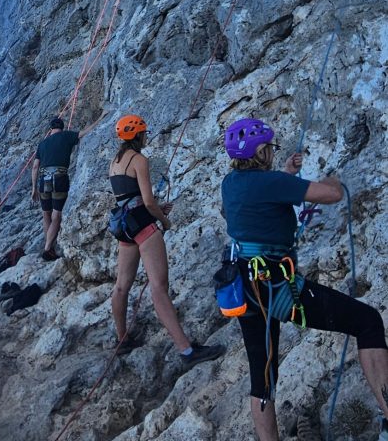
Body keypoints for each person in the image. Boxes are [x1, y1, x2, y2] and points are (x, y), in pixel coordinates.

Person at [220, 118, 388, 441]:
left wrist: (286, 174)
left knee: (262, 379)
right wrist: (333, 178)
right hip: (277, 289)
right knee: (367, 322)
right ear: (261, 151)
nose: (272, 151)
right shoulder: (270, 184)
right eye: (269, 147)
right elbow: (329, 195)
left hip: (244, 287)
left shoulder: (231, 183)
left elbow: (263, 195)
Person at [107, 114, 224, 366]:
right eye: (144, 133)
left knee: (121, 286)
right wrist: (165, 220)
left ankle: (121, 338)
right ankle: (187, 351)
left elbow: (129, 198)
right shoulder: (139, 160)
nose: (146, 136)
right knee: (158, 287)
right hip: (144, 228)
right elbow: (147, 202)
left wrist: (157, 208)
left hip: (125, 228)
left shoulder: (114, 162)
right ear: (138, 135)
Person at [31, 115, 102, 259]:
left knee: (46, 214)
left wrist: (34, 188)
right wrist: (100, 117)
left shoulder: (42, 144)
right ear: (62, 127)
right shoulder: (67, 136)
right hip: (59, 177)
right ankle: (47, 248)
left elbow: (35, 166)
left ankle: (49, 247)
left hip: (43, 180)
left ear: (50, 129)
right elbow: (84, 132)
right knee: (56, 215)